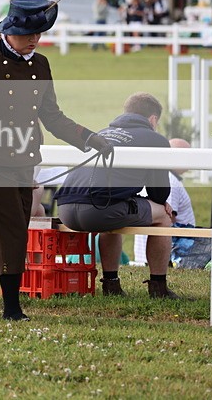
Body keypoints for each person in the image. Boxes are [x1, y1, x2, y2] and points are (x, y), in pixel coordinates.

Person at [0, 0, 112, 321]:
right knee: (13, 237)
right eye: (29, 33)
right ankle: (12, 309)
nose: (35, 40)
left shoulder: (40, 64)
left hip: (24, 164)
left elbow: (52, 116)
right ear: (9, 30)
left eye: (39, 34)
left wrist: (88, 137)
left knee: (3, 234)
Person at [55, 92, 178, 299]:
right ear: (153, 119)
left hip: (65, 209)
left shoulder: (101, 133)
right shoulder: (155, 139)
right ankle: (159, 287)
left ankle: (111, 284)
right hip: (98, 210)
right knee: (163, 217)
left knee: (112, 211)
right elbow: (159, 193)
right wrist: (159, 202)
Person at [134, 138, 194, 266]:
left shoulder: (164, 178)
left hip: (154, 255)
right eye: (188, 155)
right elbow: (167, 217)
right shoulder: (170, 181)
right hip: (170, 257)